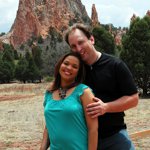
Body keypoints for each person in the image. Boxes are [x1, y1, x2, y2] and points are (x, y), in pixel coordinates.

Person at [65, 23, 139, 150]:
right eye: (73, 46)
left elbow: (134, 99)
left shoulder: (115, 65)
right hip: (84, 140)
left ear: (91, 39)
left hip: (115, 138)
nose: (78, 49)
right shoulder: (75, 72)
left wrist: (106, 107)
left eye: (81, 42)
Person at [40, 52, 98, 150]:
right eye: (66, 63)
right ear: (60, 65)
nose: (69, 68)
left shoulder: (84, 92)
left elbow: (93, 129)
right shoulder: (49, 93)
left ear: (78, 72)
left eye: (74, 66)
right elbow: (48, 126)